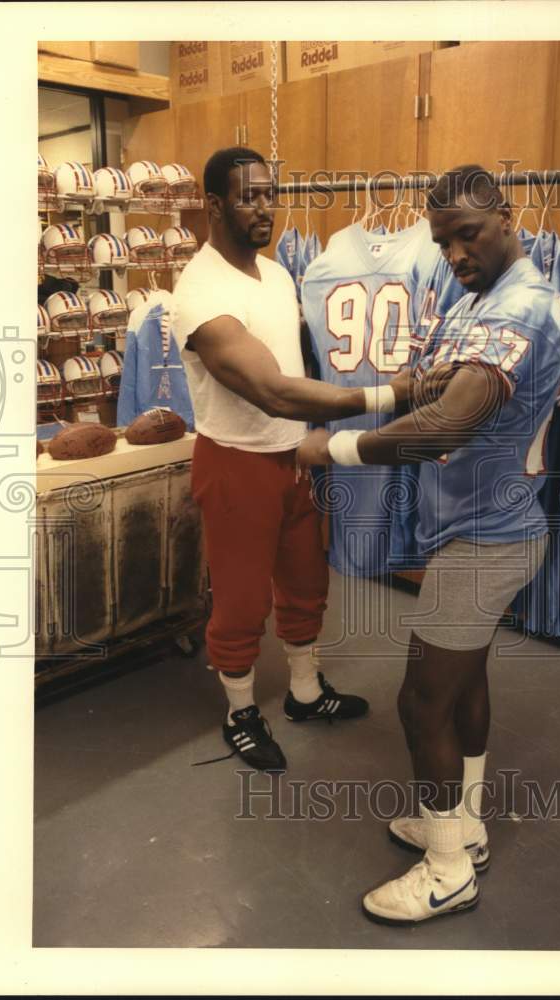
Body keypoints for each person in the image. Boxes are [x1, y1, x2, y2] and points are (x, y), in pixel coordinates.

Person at [297, 165, 560, 924]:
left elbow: (451, 423)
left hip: (483, 544)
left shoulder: (519, 308)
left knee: (421, 703)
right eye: (443, 240)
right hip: (481, 531)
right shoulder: (481, 298)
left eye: (469, 235)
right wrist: (402, 388)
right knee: (464, 686)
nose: (453, 254)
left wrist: (337, 449)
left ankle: (446, 870)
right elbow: (441, 385)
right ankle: (465, 825)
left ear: (507, 218)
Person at [172, 147, 408, 773]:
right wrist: (390, 392)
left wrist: (309, 437)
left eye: (269, 194)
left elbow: (298, 371)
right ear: (215, 205)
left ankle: (304, 693)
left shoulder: (275, 275)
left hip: (293, 455)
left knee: (306, 583)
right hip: (237, 463)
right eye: (248, 196)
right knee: (243, 602)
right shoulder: (200, 293)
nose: (263, 208)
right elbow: (272, 388)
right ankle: (240, 712)